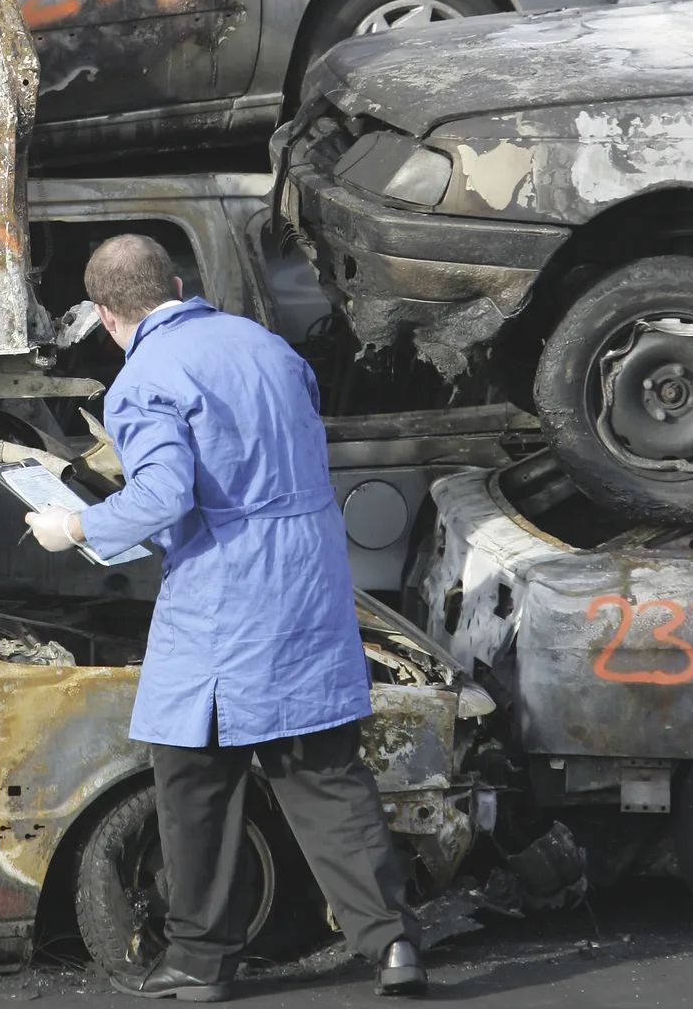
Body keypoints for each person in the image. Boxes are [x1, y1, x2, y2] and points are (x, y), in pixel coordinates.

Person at [25, 235, 425, 1001]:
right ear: (178, 283)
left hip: (223, 603)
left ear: (107, 317)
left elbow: (164, 497)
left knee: (197, 786)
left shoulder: (142, 379)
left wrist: (71, 528)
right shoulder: (269, 347)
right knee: (326, 778)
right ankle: (396, 943)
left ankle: (201, 963)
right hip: (308, 590)